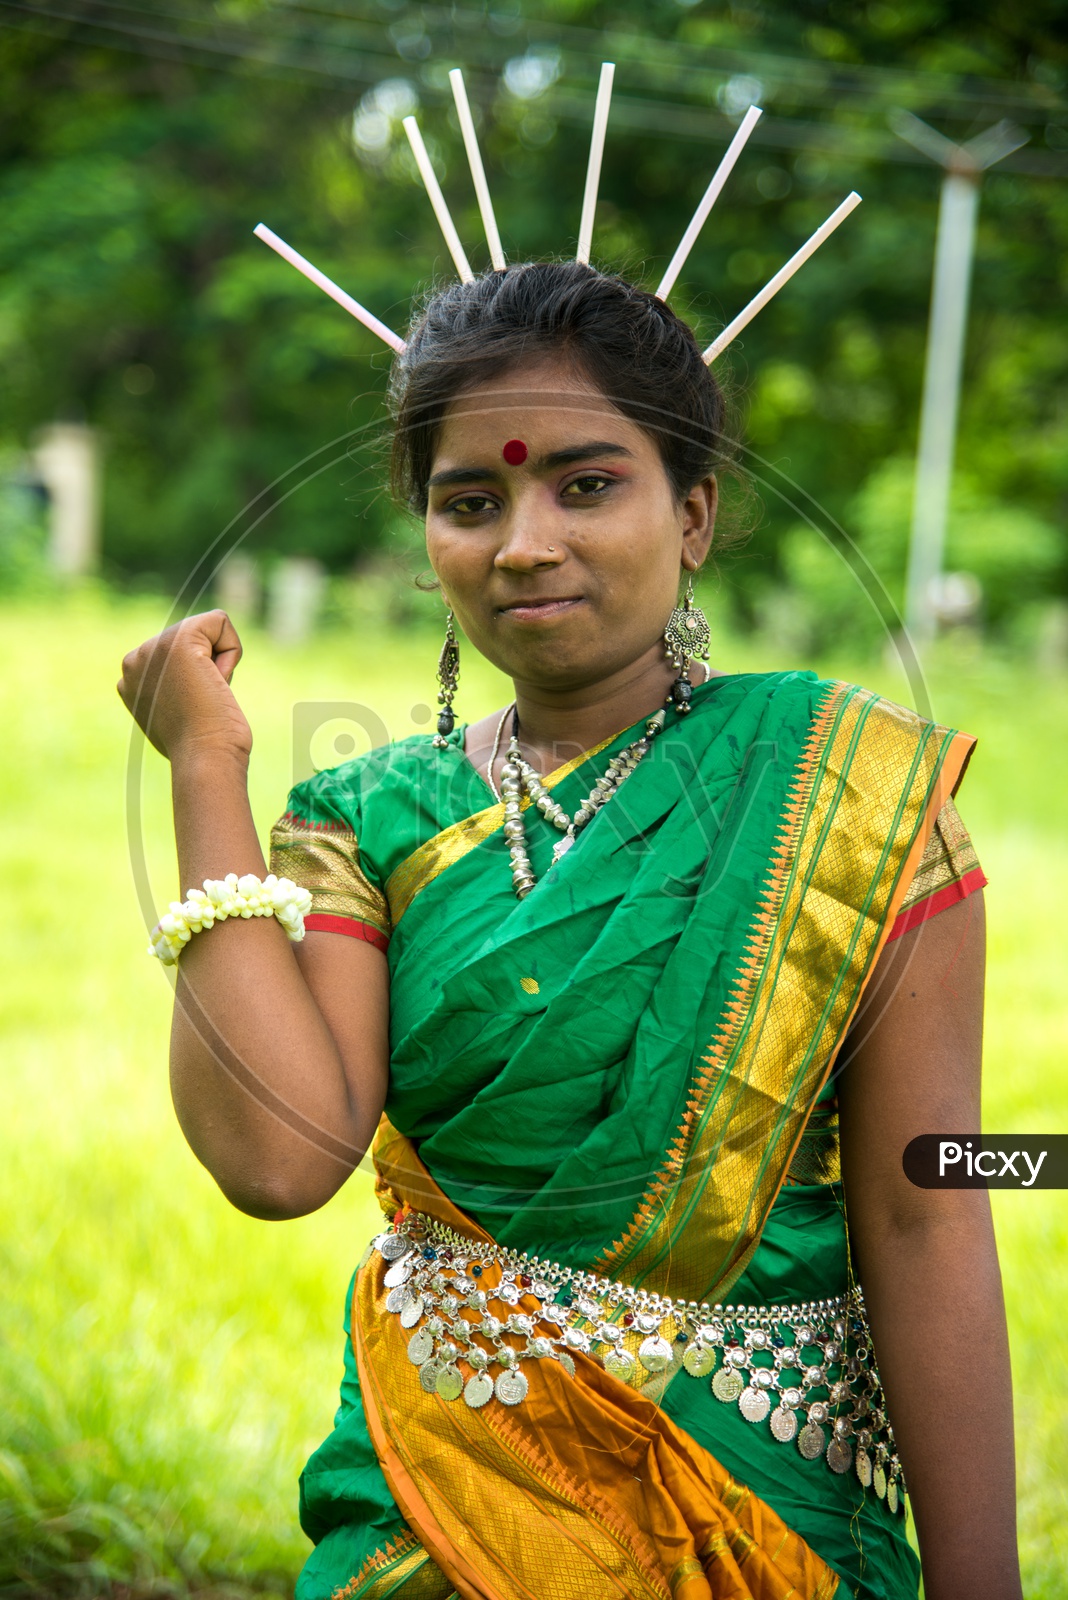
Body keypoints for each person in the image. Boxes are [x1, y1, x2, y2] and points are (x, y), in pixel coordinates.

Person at [117, 262, 1021, 1600]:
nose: (523, 543)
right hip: (444, 1507)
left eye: (585, 485)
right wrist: (205, 767)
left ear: (695, 511)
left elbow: (930, 1200)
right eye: (468, 501)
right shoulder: (371, 817)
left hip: (757, 1519)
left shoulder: (848, 793)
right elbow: (276, 1156)